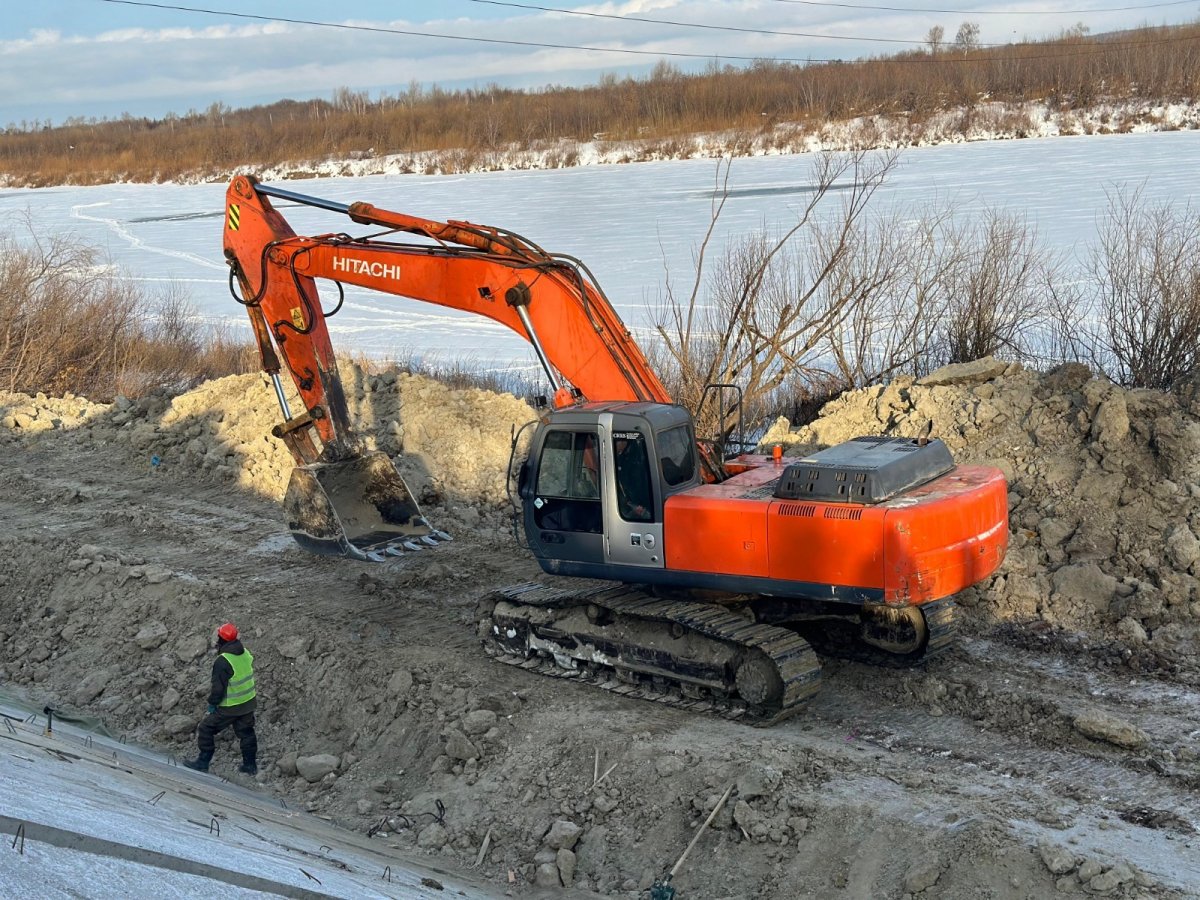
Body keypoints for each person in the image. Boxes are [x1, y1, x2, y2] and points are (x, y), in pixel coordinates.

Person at [184, 622, 258, 775]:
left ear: (221, 640)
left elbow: (218, 689)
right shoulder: (244, 653)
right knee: (246, 733)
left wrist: (212, 704)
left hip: (231, 706)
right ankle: (250, 766)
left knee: (206, 728)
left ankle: (203, 762)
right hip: (248, 702)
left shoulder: (223, 661)